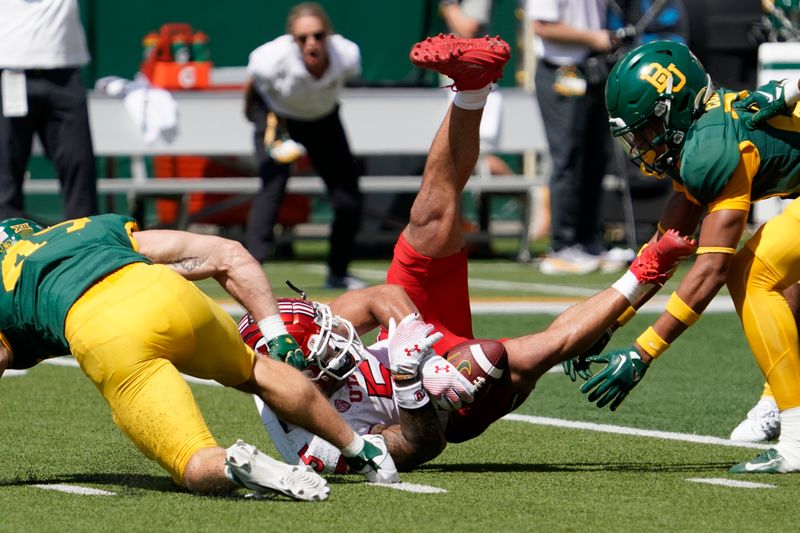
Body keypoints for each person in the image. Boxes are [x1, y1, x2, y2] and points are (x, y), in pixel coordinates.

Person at [237, 34, 697, 472]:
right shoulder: (313, 444)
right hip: (444, 406)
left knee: (428, 217)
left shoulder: (311, 336)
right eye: (323, 348)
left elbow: (379, 298)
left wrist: (412, 344)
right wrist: (412, 383)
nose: (334, 337)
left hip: (419, 351)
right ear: (301, 380)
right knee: (513, 354)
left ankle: (473, 88)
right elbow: (420, 446)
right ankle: (650, 267)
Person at [0, 214, 397, 500]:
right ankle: (362, 451)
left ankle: (236, 463)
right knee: (257, 370)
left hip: (105, 329)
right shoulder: (86, 229)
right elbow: (228, 254)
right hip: (166, 292)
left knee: (191, 459)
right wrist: (275, 333)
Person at [577, 40, 800, 473]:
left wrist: (644, 351)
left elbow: (711, 269)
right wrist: (606, 324)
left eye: (643, 131)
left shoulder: (711, 147)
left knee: (752, 274)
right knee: (772, 277)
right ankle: (780, 400)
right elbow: (661, 252)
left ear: (672, 112)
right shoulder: (695, 142)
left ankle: (795, 435)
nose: (639, 145)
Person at [242, 2, 364, 290]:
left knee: (348, 198)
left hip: (323, 120)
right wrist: (253, 116)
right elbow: (252, 85)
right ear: (292, 39)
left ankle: (338, 273)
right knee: (273, 188)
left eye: (319, 36)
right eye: (303, 38)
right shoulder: (270, 59)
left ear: (329, 36)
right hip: (277, 117)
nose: (312, 43)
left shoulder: (347, 55)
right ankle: (248, 274)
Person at [526, 0, 614, 275]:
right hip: (561, 71)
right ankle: (564, 244)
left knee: (597, 155)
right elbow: (541, 26)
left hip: (593, 68)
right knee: (568, 157)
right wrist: (594, 37)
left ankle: (589, 241)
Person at [0, 0, 98, 220]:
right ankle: (5, 246)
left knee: (78, 165)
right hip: (9, 69)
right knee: (5, 174)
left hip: (64, 71)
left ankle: (85, 244)